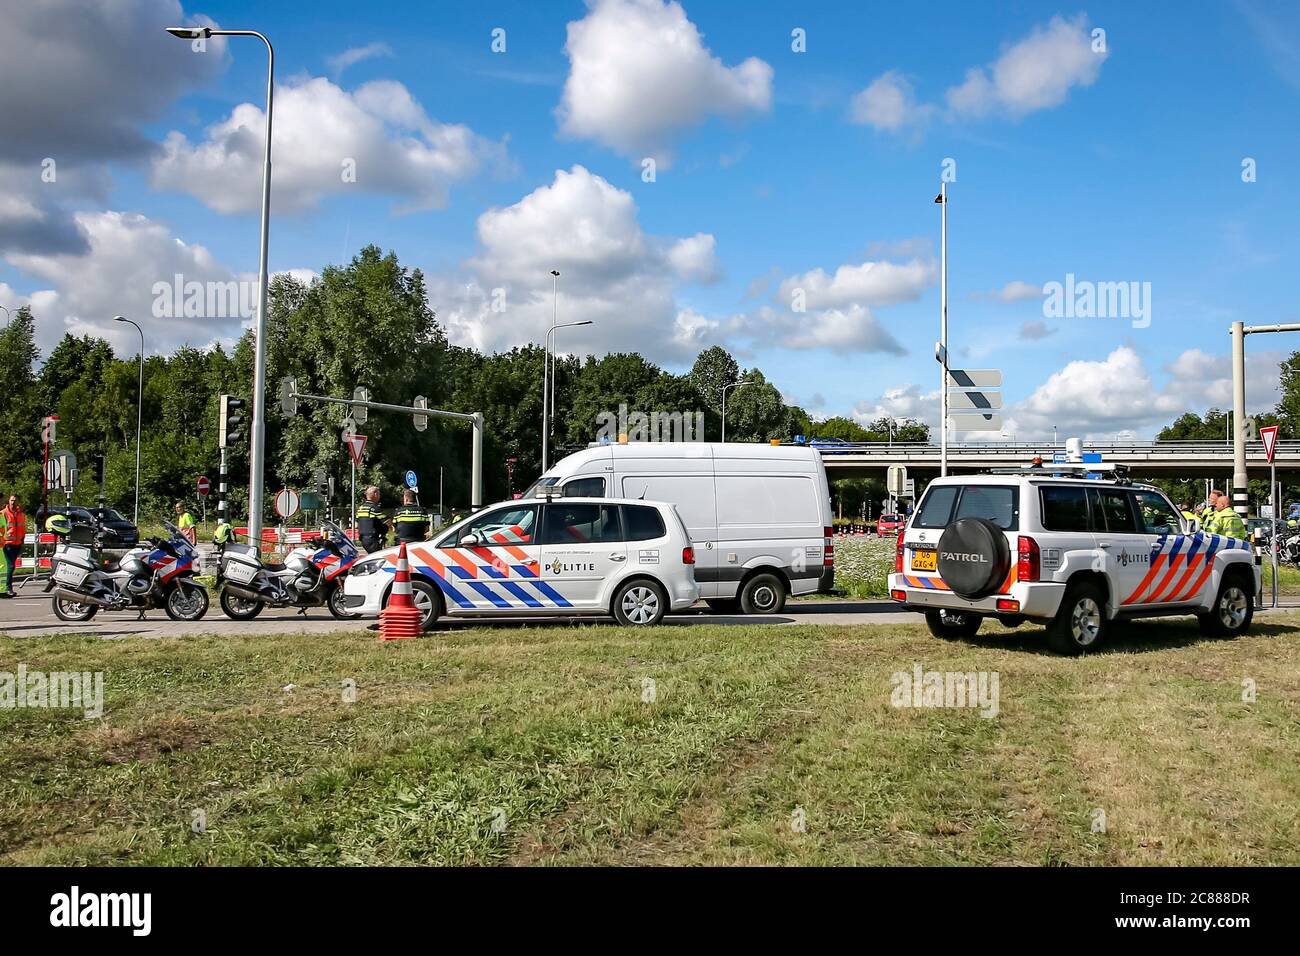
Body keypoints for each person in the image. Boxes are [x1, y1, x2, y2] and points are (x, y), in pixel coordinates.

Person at [1, 495, 26, 598]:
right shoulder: (4, 513)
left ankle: (6, 588)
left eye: (14, 501)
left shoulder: (21, 514)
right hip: (7, 544)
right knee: (10, 566)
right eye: (11, 500)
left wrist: (22, 540)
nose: (12, 502)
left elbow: (23, 527)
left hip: (17, 544)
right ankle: (8, 588)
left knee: (10, 566)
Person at [356, 485, 389, 553]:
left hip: (363, 539)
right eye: (379, 494)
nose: (379, 496)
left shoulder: (361, 508)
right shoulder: (374, 508)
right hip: (373, 539)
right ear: (375, 494)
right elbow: (387, 521)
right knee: (377, 559)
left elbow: (357, 523)